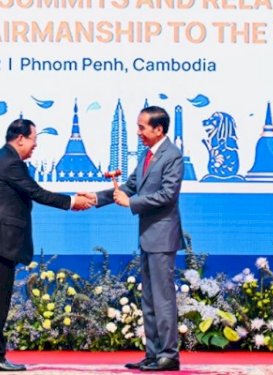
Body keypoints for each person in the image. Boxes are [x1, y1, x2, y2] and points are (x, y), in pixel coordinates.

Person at [0, 118, 92, 372]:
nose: (35, 146)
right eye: (34, 140)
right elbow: (37, 192)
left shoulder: (2, 159)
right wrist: (71, 202)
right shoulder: (11, 163)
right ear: (20, 138)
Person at [80, 106, 185, 371]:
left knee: (162, 299)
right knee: (149, 299)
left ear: (158, 129)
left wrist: (132, 202)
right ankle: (153, 354)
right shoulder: (148, 155)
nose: (138, 132)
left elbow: (166, 195)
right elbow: (129, 186)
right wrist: (96, 198)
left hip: (163, 237)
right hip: (149, 237)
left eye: (142, 127)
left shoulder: (172, 156)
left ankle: (169, 355)